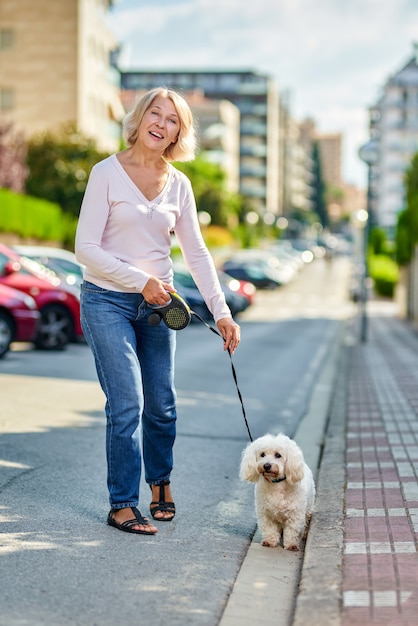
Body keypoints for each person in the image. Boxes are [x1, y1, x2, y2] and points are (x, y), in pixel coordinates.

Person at [75, 87, 240, 535]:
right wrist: (140, 281)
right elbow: (85, 248)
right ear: (139, 118)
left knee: (162, 405)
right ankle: (122, 503)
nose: (161, 123)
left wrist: (222, 312)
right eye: (155, 113)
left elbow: (199, 254)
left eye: (172, 120)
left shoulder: (179, 184)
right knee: (127, 402)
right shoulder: (105, 173)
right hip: (107, 300)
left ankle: (160, 483)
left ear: (177, 134)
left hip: (159, 307)